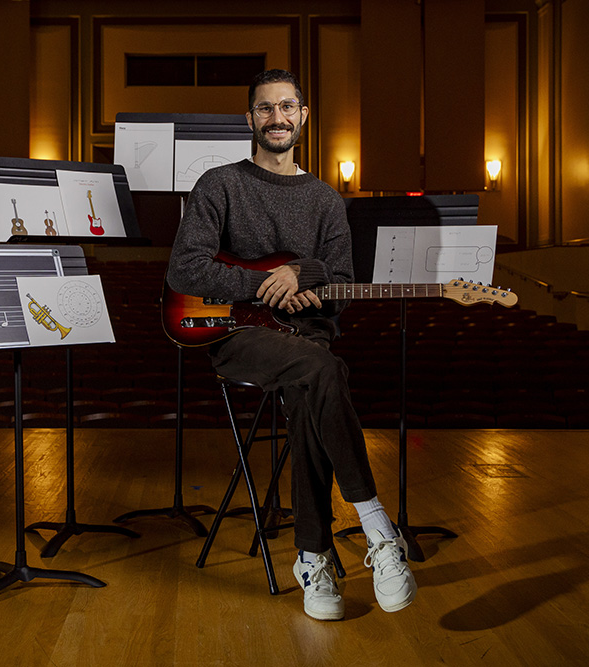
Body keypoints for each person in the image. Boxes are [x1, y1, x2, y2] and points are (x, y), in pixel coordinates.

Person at [166, 69, 417, 621]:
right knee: (324, 371)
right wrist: (263, 284)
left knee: (313, 378)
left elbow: (342, 288)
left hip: (307, 339)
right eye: (264, 109)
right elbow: (184, 269)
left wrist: (308, 276)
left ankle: (311, 556)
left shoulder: (326, 199)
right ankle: (377, 525)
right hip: (239, 335)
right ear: (249, 119)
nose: (276, 118)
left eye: (287, 107)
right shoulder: (220, 184)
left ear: (303, 116)